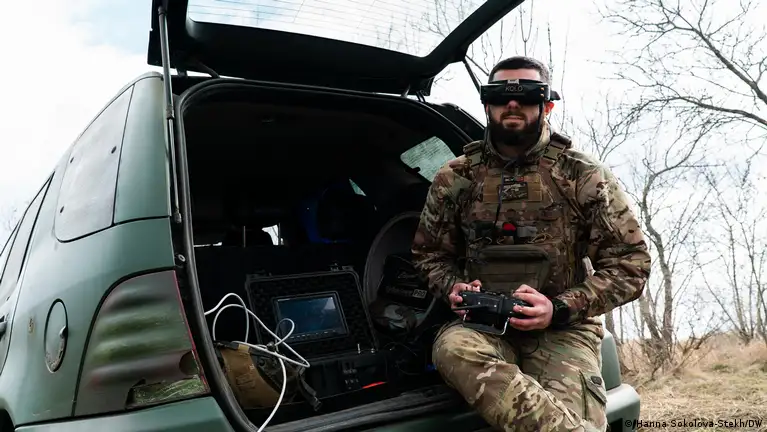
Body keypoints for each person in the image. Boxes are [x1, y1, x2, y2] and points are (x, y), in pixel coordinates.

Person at [410, 56, 651, 431]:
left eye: (525, 94)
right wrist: (452, 287)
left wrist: (559, 308)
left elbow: (630, 265)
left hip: (563, 330)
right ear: (487, 104)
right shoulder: (455, 178)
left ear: (546, 105)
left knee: (577, 412)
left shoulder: (582, 175)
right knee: (453, 349)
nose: (512, 104)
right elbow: (429, 256)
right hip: (481, 328)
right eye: (500, 95)